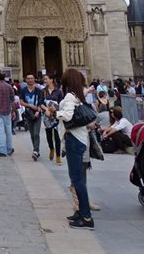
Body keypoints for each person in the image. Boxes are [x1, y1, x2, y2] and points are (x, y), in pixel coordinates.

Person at [46, 68, 95, 231]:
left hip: (74, 139)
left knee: (77, 179)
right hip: (79, 138)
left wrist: (53, 112)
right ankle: (80, 212)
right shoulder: (77, 96)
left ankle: (86, 217)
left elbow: (67, 116)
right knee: (77, 178)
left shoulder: (69, 96)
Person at [18, 73, 45, 160]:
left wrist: (38, 111)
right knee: (32, 134)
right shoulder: (23, 90)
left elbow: (41, 102)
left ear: (34, 79)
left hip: (37, 114)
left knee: (36, 133)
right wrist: (29, 105)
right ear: (26, 80)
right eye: (28, 78)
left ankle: (36, 151)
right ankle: (36, 150)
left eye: (32, 78)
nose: (30, 80)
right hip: (28, 114)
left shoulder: (39, 91)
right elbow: (21, 102)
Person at [0, 72, 15, 156]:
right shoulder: (9, 86)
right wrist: (14, 111)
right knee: (8, 130)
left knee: (1, 131)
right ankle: (9, 148)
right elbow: (13, 99)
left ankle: (2, 150)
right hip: (7, 110)